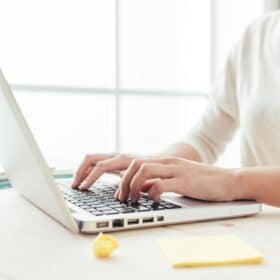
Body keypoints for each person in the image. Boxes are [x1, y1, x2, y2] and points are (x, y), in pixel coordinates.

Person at [72, 11, 280, 207]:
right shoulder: (257, 35)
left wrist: (232, 182)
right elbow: (205, 140)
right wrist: (152, 167)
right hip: (257, 230)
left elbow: (228, 179)